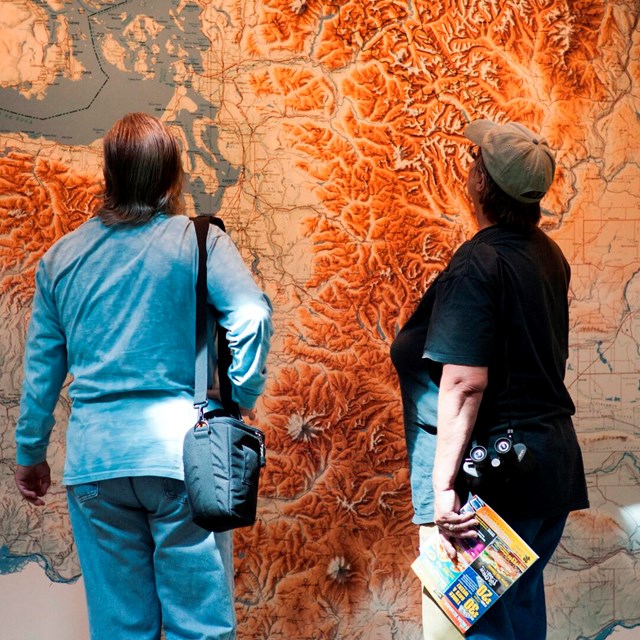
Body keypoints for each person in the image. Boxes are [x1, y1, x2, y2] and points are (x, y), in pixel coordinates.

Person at [14, 112, 273, 640]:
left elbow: (42, 370)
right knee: (198, 627)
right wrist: (240, 396)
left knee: (121, 629)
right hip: (183, 459)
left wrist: (30, 455)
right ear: (171, 177)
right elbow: (251, 315)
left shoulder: (60, 259)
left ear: (108, 176)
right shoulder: (199, 241)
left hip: (96, 465)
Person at [391, 119, 589, 640]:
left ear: (482, 182)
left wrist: (441, 489)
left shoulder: (479, 263)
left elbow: (464, 384)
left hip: (493, 482)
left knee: (479, 628)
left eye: (475, 160)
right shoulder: (547, 255)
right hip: (547, 467)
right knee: (518, 615)